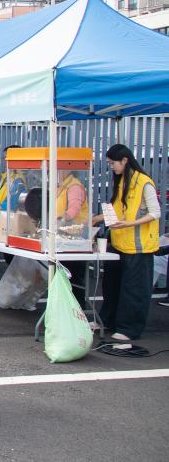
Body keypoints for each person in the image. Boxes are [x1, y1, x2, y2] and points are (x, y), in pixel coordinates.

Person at [92, 144, 161, 341]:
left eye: (112, 163)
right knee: (111, 286)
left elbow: (155, 212)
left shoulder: (144, 182)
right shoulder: (122, 181)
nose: (111, 166)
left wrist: (130, 223)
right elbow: (116, 211)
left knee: (133, 289)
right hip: (119, 243)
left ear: (124, 161)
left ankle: (129, 328)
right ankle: (108, 321)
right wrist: (97, 219)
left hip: (138, 247)